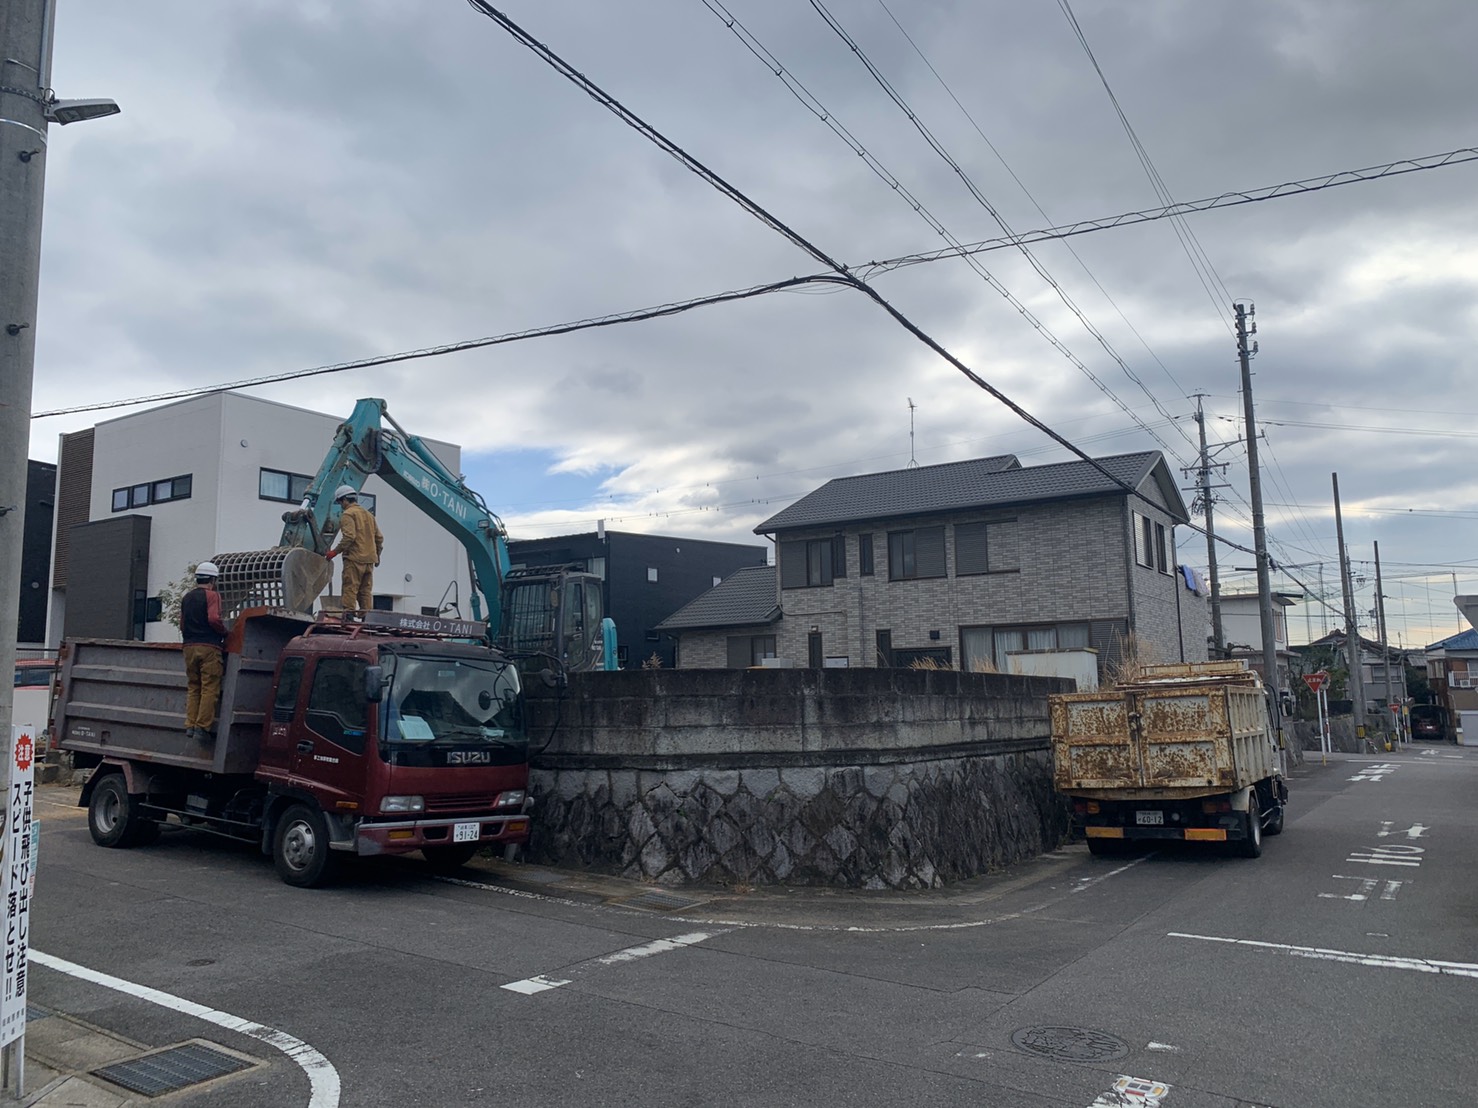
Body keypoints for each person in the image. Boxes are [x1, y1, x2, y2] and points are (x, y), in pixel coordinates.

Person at [181, 561, 229, 742]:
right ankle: (202, 727)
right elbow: (214, 619)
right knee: (209, 687)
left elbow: (182, 623)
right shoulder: (212, 595)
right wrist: (224, 633)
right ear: (212, 579)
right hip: (209, 647)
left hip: (189, 647)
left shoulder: (187, 597)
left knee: (194, 686)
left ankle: (190, 725)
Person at [325, 484, 383, 615]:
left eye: (340, 502)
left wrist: (334, 552)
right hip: (369, 560)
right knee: (365, 591)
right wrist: (377, 555)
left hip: (354, 559)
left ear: (345, 500)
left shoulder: (348, 514)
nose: (341, 505)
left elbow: (349, 537)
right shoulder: (369, 515)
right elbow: (379, 538)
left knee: (350, 587)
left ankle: (349, 616)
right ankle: (366, 618)